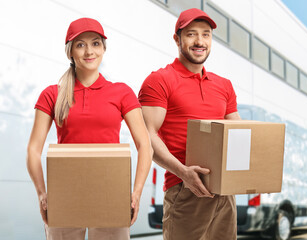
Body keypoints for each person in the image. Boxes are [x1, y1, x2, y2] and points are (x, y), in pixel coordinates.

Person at [26, 17, 152, 240]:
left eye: (95, 43)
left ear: (104, 48)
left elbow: (145, 145)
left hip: (111, 193)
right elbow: (33, 150)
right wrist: (42, 194)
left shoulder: (121, 92)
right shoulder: (52, 94)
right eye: (80, 44)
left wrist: (136, 192)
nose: (89, 51)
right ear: (70, 52)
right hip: (64, 194)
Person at [138, 8, 241, 240]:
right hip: (184, 188)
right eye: (191, 34)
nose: (199, 41)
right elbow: (147, 137)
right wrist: (183, 172)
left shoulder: (224, 85)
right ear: (177, 39)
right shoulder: (159, 80)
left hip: (225, 192)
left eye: (206, 34)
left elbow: (240, 134)